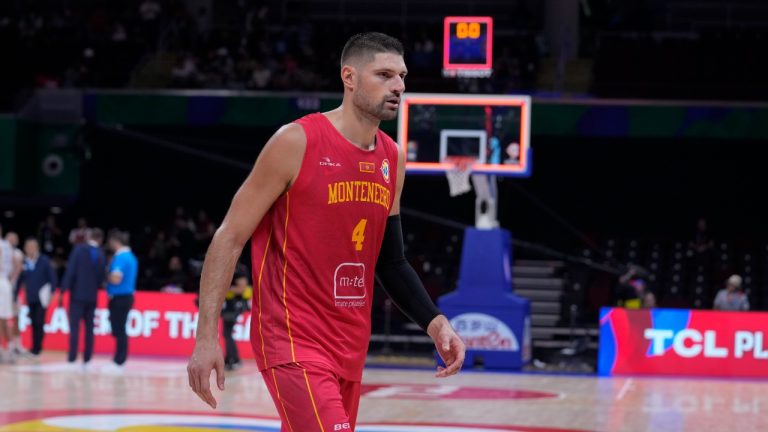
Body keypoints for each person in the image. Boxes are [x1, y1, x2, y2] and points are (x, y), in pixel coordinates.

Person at [187, 32, 466, 431]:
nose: (399, 86)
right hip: (290, 336)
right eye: (385, 74)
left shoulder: (392, 158)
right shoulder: (296, 141)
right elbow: (229, 237)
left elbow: (391, 260)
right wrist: (205, 336)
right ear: (349, 77)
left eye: (402, 76)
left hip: (350, 342)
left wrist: (437, 323)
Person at [61, 228, 106, 368]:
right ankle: (87, 359)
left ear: (88, 237)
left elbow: (71, 271)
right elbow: (101, 277)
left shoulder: (79, 250)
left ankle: (72, 358)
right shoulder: (100, 253)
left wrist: (63, 290)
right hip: (92, 296)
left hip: (77, 296)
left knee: (74, 328)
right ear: (100, 239)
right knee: (89, 328)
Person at [16, 238, 58, 356]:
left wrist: (53, 292)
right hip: (31, 296)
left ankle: (37, 348)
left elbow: (52, 277)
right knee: (33, 322)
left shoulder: (44, 260)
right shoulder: (25, 262)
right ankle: (34, 347)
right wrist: (15, 295)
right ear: (25, 248)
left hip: (42, 297)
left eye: (32, 246)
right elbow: (20, 280)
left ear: (37, 248)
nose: (30, 249)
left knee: (39, 322)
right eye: (28, 246)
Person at [104, 229, 138, 372]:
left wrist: (105, 273)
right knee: (119, 328)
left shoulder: (121, 257)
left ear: (115, 242)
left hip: (120, 297)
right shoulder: (131, 256)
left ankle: (119, 361)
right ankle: (119, 359)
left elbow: (116, 279)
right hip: (125, 297)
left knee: (119, 329)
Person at [3, 231, 27, 358]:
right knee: (3, 319)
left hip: (12, 291)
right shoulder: (3, 249)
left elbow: (19, 269)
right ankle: (8, 345)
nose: (11, 241)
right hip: (4, 289)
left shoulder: (17, 253)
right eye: (9, 239)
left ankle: (17, 344)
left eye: (14, 239)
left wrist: (11, 280)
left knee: (15, 318)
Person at [221, 274, 252, 371]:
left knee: (227, 334)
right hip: (229, 306)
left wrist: (226, 288)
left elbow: (241, 289)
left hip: (233, 307)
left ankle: (233, 359)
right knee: (226, 334)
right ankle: (230, 358)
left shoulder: (239, 271)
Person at [0, 224, 19, 363]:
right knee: (5, 319)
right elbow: (17, 264)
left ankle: (5, 351)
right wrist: (11, 280)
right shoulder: (7, 245)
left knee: (3, 320)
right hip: (5, 283)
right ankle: (10, 350)